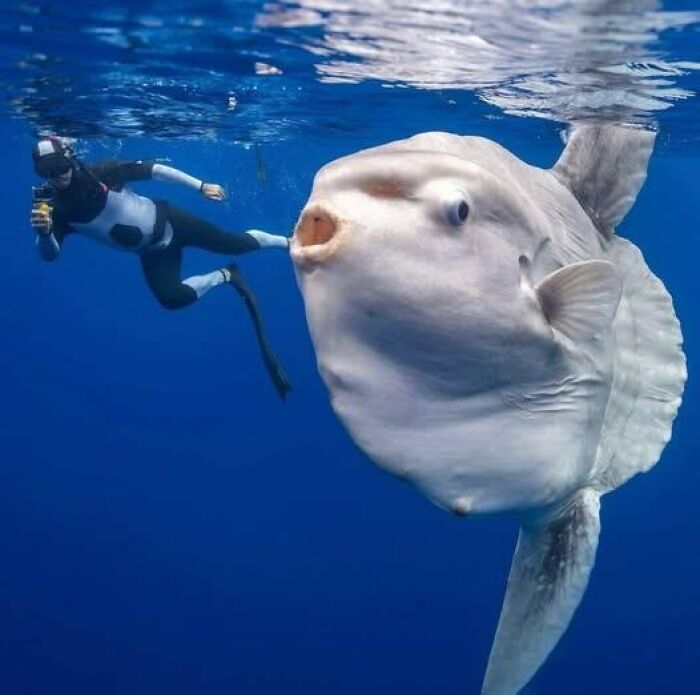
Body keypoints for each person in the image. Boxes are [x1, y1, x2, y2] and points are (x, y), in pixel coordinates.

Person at [30, 135, 292, 399]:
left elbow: (155, 170)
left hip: (173, 222)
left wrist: (200, 186)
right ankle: (227, 275)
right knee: (171, 298)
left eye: (59, 167)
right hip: (153, 252)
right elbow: (50, 255)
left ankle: (286, 242)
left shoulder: (102, 172)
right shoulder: (56, 211)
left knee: (233, 243)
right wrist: (44, 233)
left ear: (70, 158)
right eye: (46, 171)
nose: (56, 176)